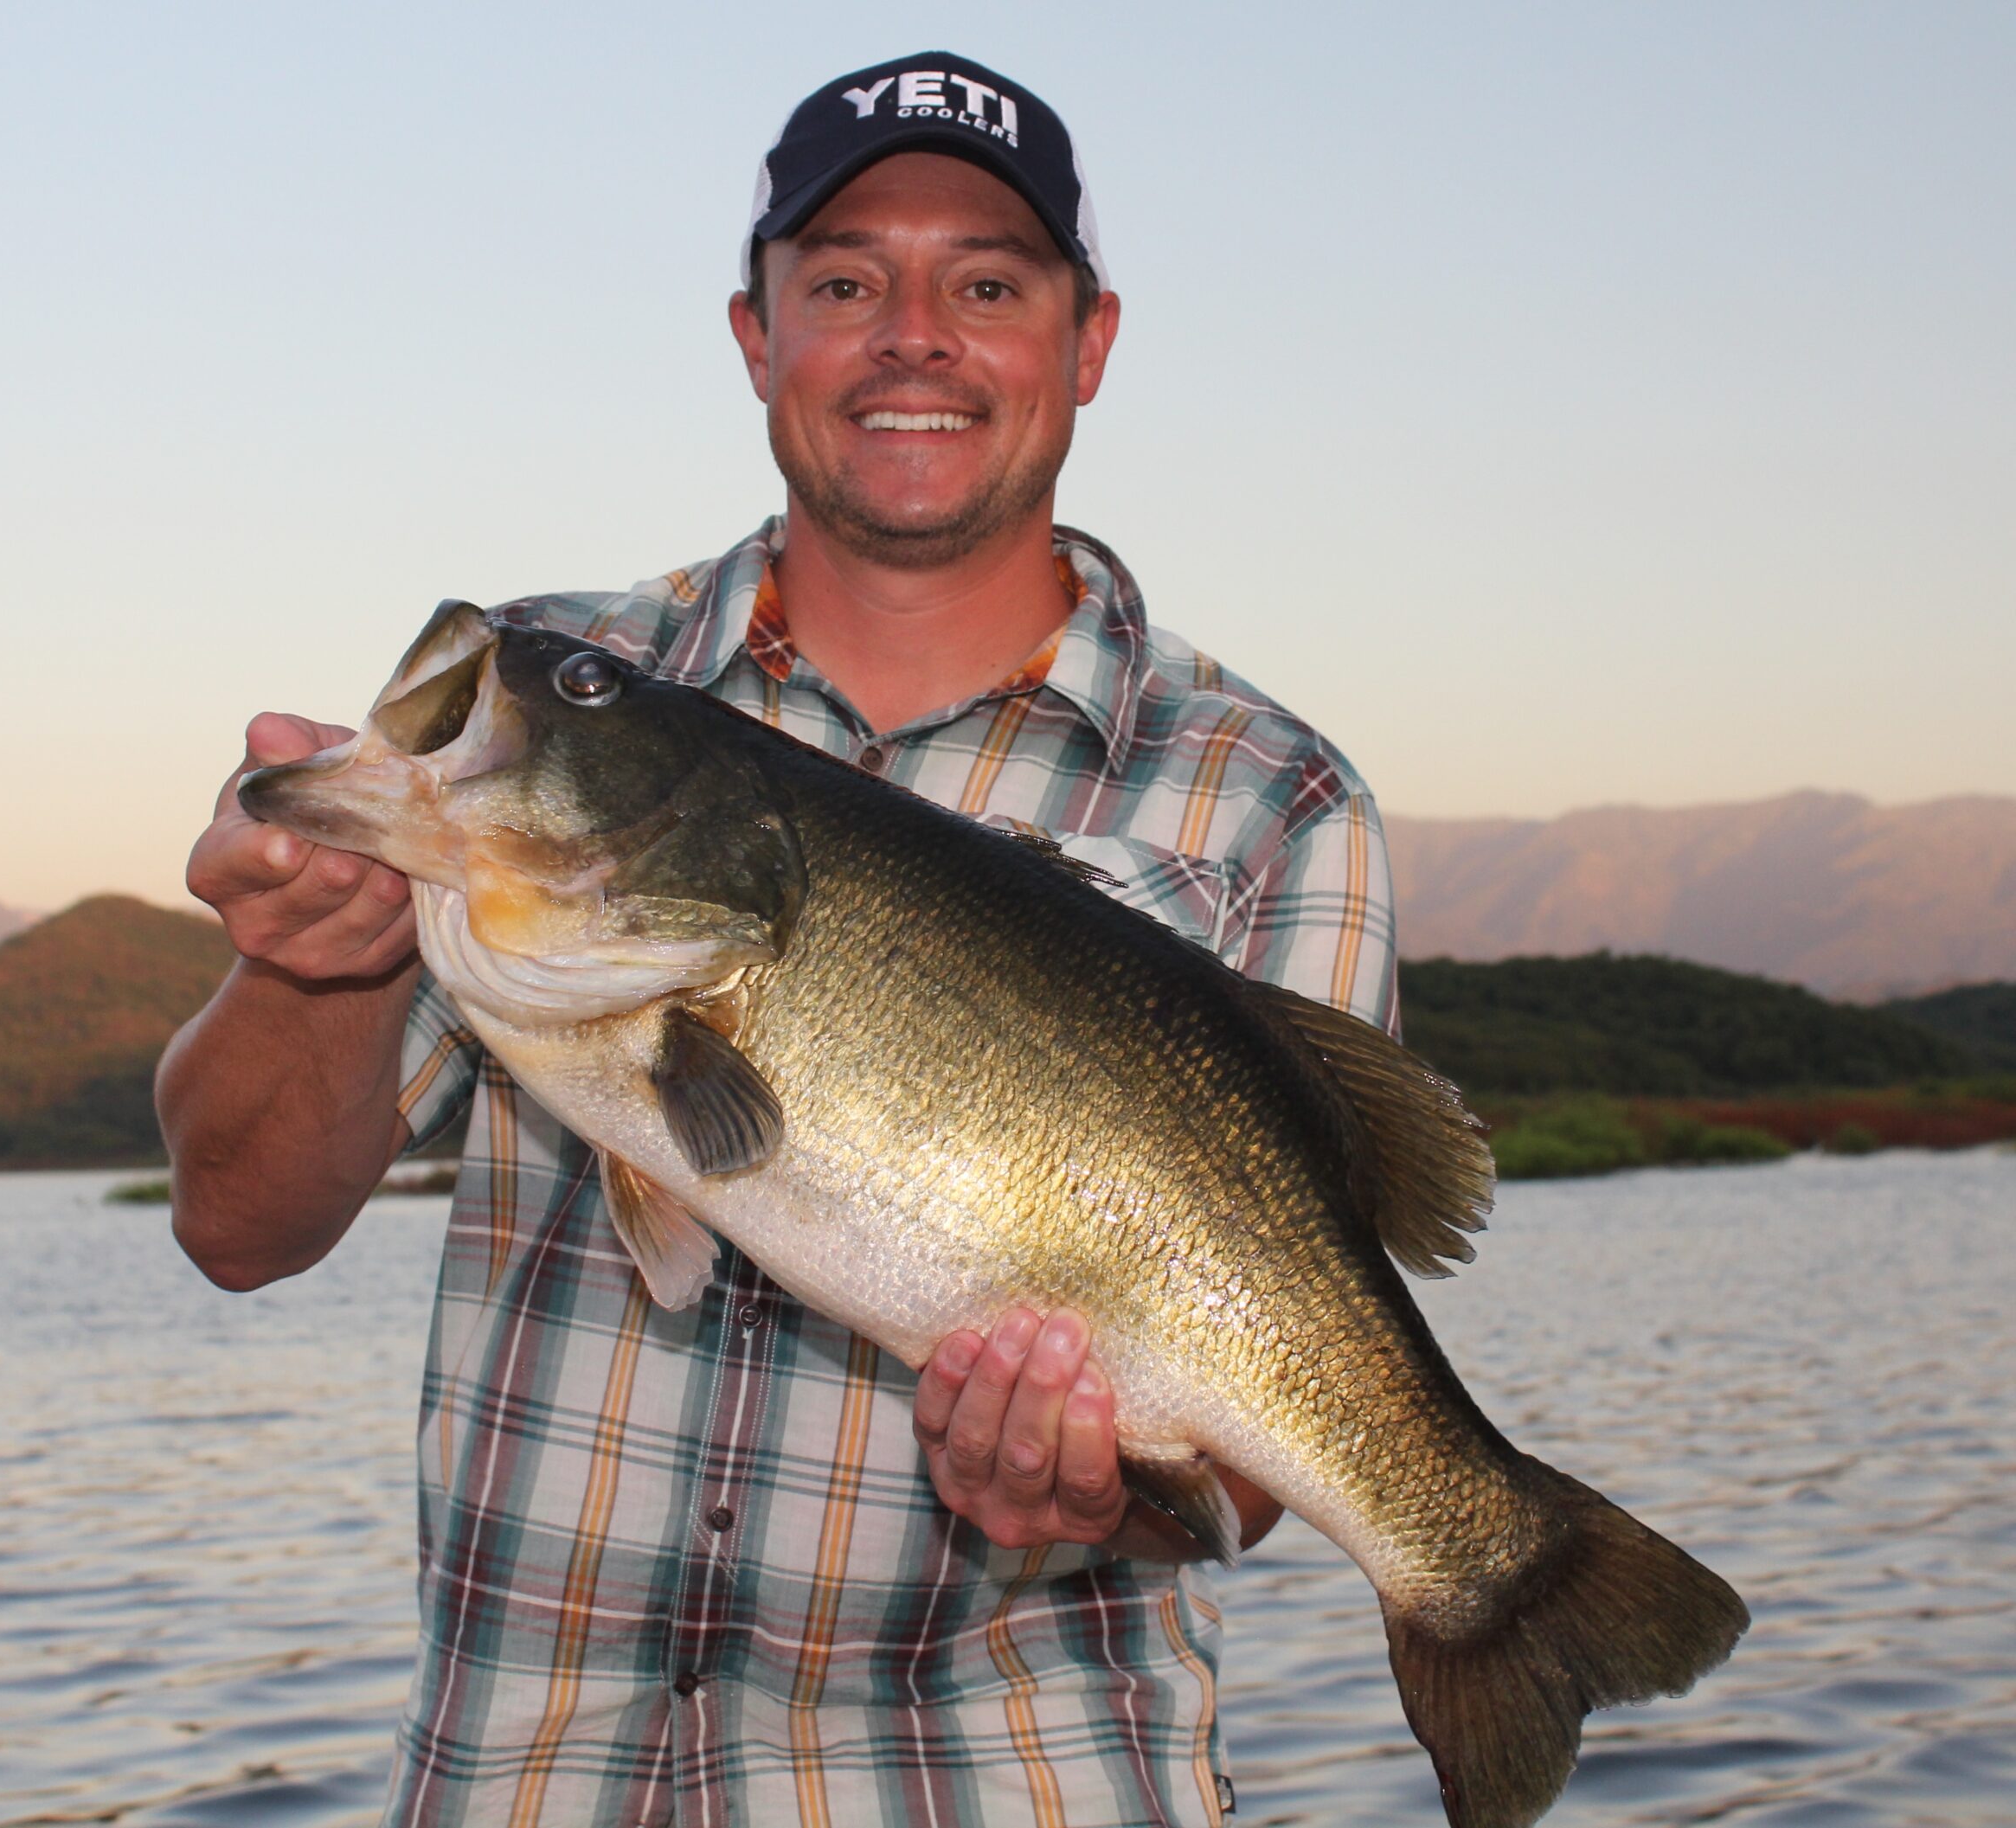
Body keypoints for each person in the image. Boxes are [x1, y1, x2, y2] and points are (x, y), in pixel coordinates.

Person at [161, 51, 1398, 1828]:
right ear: (755, 336)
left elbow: (1268, 1444)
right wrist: (317, 958)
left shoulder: (1273, 800)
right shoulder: (564, 694)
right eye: (840, 282)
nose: (913, 334)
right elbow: (234, 1225)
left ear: (1087, 341)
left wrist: (1103, 1494)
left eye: (984, 282)